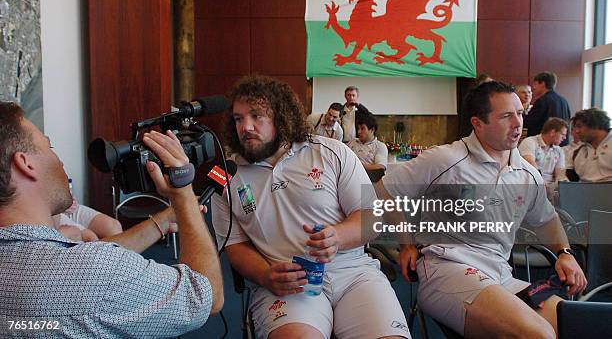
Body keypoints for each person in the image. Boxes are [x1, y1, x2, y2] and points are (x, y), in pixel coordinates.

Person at [375, 81, 586, 338]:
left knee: (573, 325)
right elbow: (385, 190)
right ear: (478, 123)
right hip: (447, 270)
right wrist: (406, 243)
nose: (517, 123)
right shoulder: (446, 159)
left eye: (520, 113)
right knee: (538, 334)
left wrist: (565, 253)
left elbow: (545, 219)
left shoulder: (527, 173)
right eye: (506, 116)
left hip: (500, 275)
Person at [0, 101, 223, 336]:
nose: (60, 160)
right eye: (49, 146)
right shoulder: (96, 273)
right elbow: (204, 297)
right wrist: (184, 193)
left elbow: (75, 259)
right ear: (25, 164)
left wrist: (162, 222)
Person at [212, 76, 409, 339]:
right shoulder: (226, 174)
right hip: (286, 283)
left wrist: (337, 237)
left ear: (281, 117)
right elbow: (234, 244)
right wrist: (265, 274)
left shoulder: (331, 152)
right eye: (238, 118)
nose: (246, 127)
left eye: (257, 116)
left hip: (353, 273)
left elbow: (372, 218)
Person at [518, 117, 567, 198]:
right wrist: (542, 184)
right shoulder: (529, 142)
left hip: (550, 190)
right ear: (552, 132)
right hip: (530, 185)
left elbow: (560, 174)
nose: (564, 138)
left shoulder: (559, 150)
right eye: (563, 135)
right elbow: (530, 165)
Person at [564, 108, 612, 182]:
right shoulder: (576, 152)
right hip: (585, 191)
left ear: (595, 125)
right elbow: (570, 181)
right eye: (575, 127)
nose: (576, 131)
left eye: (579, 126)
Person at [523, 72, 571, 145]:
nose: (534, 88)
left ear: (542, 83)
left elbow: (529, 122)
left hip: (543, 146)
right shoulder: (564, 101)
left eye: (535, 84)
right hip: (561, 145)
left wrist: (519, 113)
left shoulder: (542, 101)